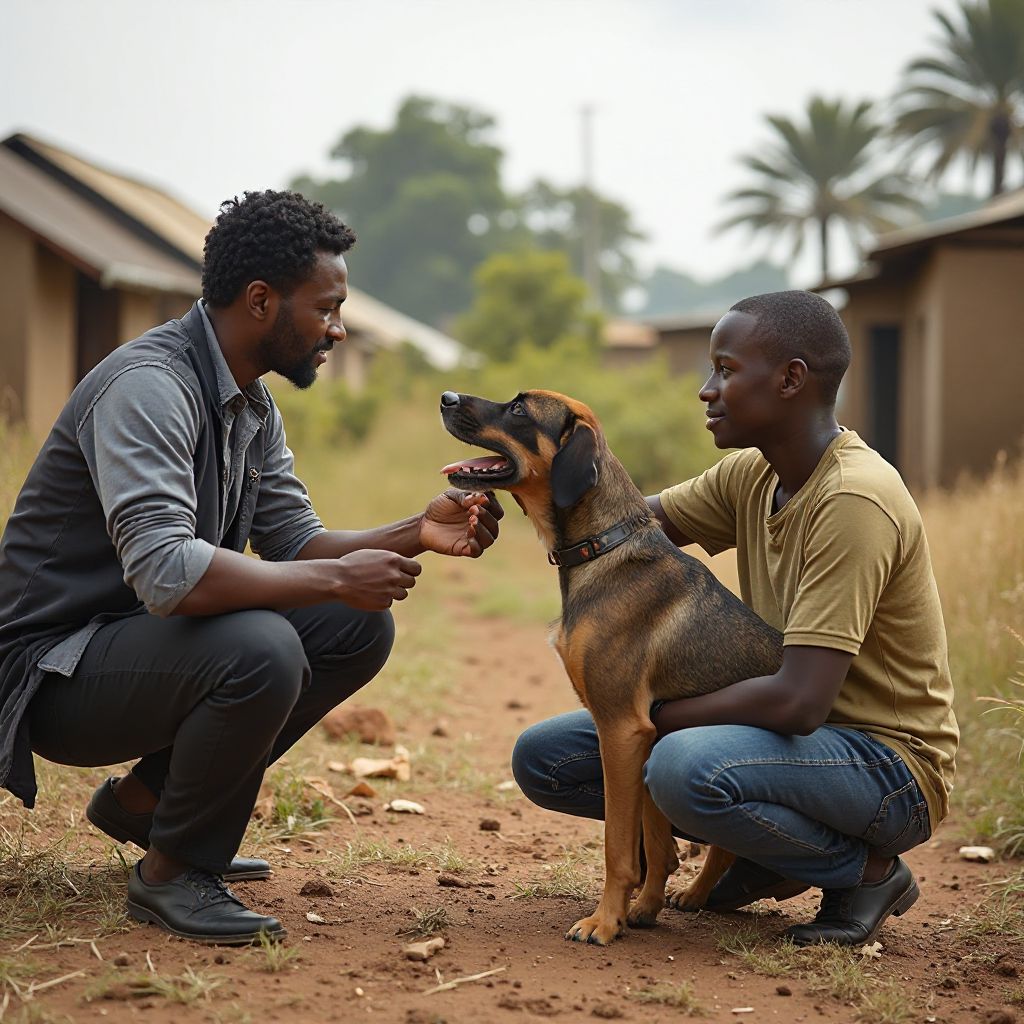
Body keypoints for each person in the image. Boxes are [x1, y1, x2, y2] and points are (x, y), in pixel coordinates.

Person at [0, 189, 502, 945]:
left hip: (134, 647)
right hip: (51, 672)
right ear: (262, 301)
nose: (337, 329)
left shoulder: (251, 404)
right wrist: (337, 578)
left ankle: (145, 803)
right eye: (327, 308)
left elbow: (296, 542)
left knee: (353, 627)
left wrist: (414, 532)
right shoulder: (149, 388)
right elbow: (170, 573)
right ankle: (175, 873)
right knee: (262, 646)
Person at [512, 290, 958, 947]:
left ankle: (863, 870)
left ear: (790, 379)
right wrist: (519, 481)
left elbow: (799, 701)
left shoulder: (855, 498)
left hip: (885, 765)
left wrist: (646, 722)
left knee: (677, 764)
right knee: (546, 758)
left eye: (725, 370)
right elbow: (623, 523)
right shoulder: (754, 474)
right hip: (788, 747)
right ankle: (764, 849)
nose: (705, 391)